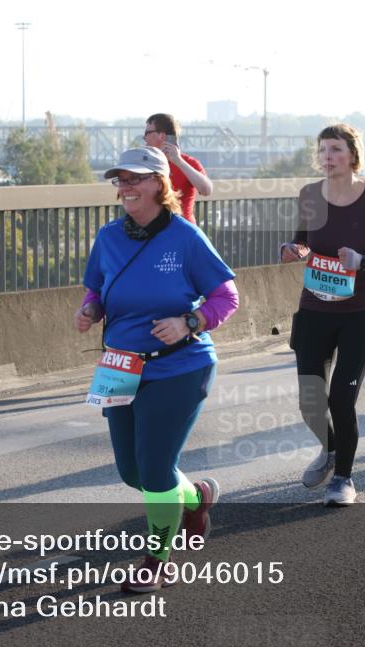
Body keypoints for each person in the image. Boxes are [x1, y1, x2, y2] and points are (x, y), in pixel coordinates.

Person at [75, 146, 238, 591]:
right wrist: (89, 309)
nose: (127, 187)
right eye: (121, 180)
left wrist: (190, 322)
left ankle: (158, 562)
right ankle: (196, 498)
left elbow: (226, 297)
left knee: (156, 468)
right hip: (120, 366)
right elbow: (97, 289)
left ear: (160, 184)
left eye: (137, 178)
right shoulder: (109, 237)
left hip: (179, 367)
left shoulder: (185, 237)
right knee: (133, 472)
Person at [279, 124, 365, 507]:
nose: (327, 157)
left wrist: (363, 261)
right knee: (310, 402)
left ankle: (343, 478)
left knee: (341, 398)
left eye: (335, 149)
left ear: (352, 154)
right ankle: (331, 449)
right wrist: (295, 250)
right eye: (322, 150)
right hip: (314, 310)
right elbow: (303, 240)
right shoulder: (309, 194)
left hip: (360, 313)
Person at [144, 113, 212, 224]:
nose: (144, 138)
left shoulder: (188, 162)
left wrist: (179, 161)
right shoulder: (145, 163)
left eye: (147, 133)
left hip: (183, 230)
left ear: (161, 135)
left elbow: (206, 190)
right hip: (153, 229)